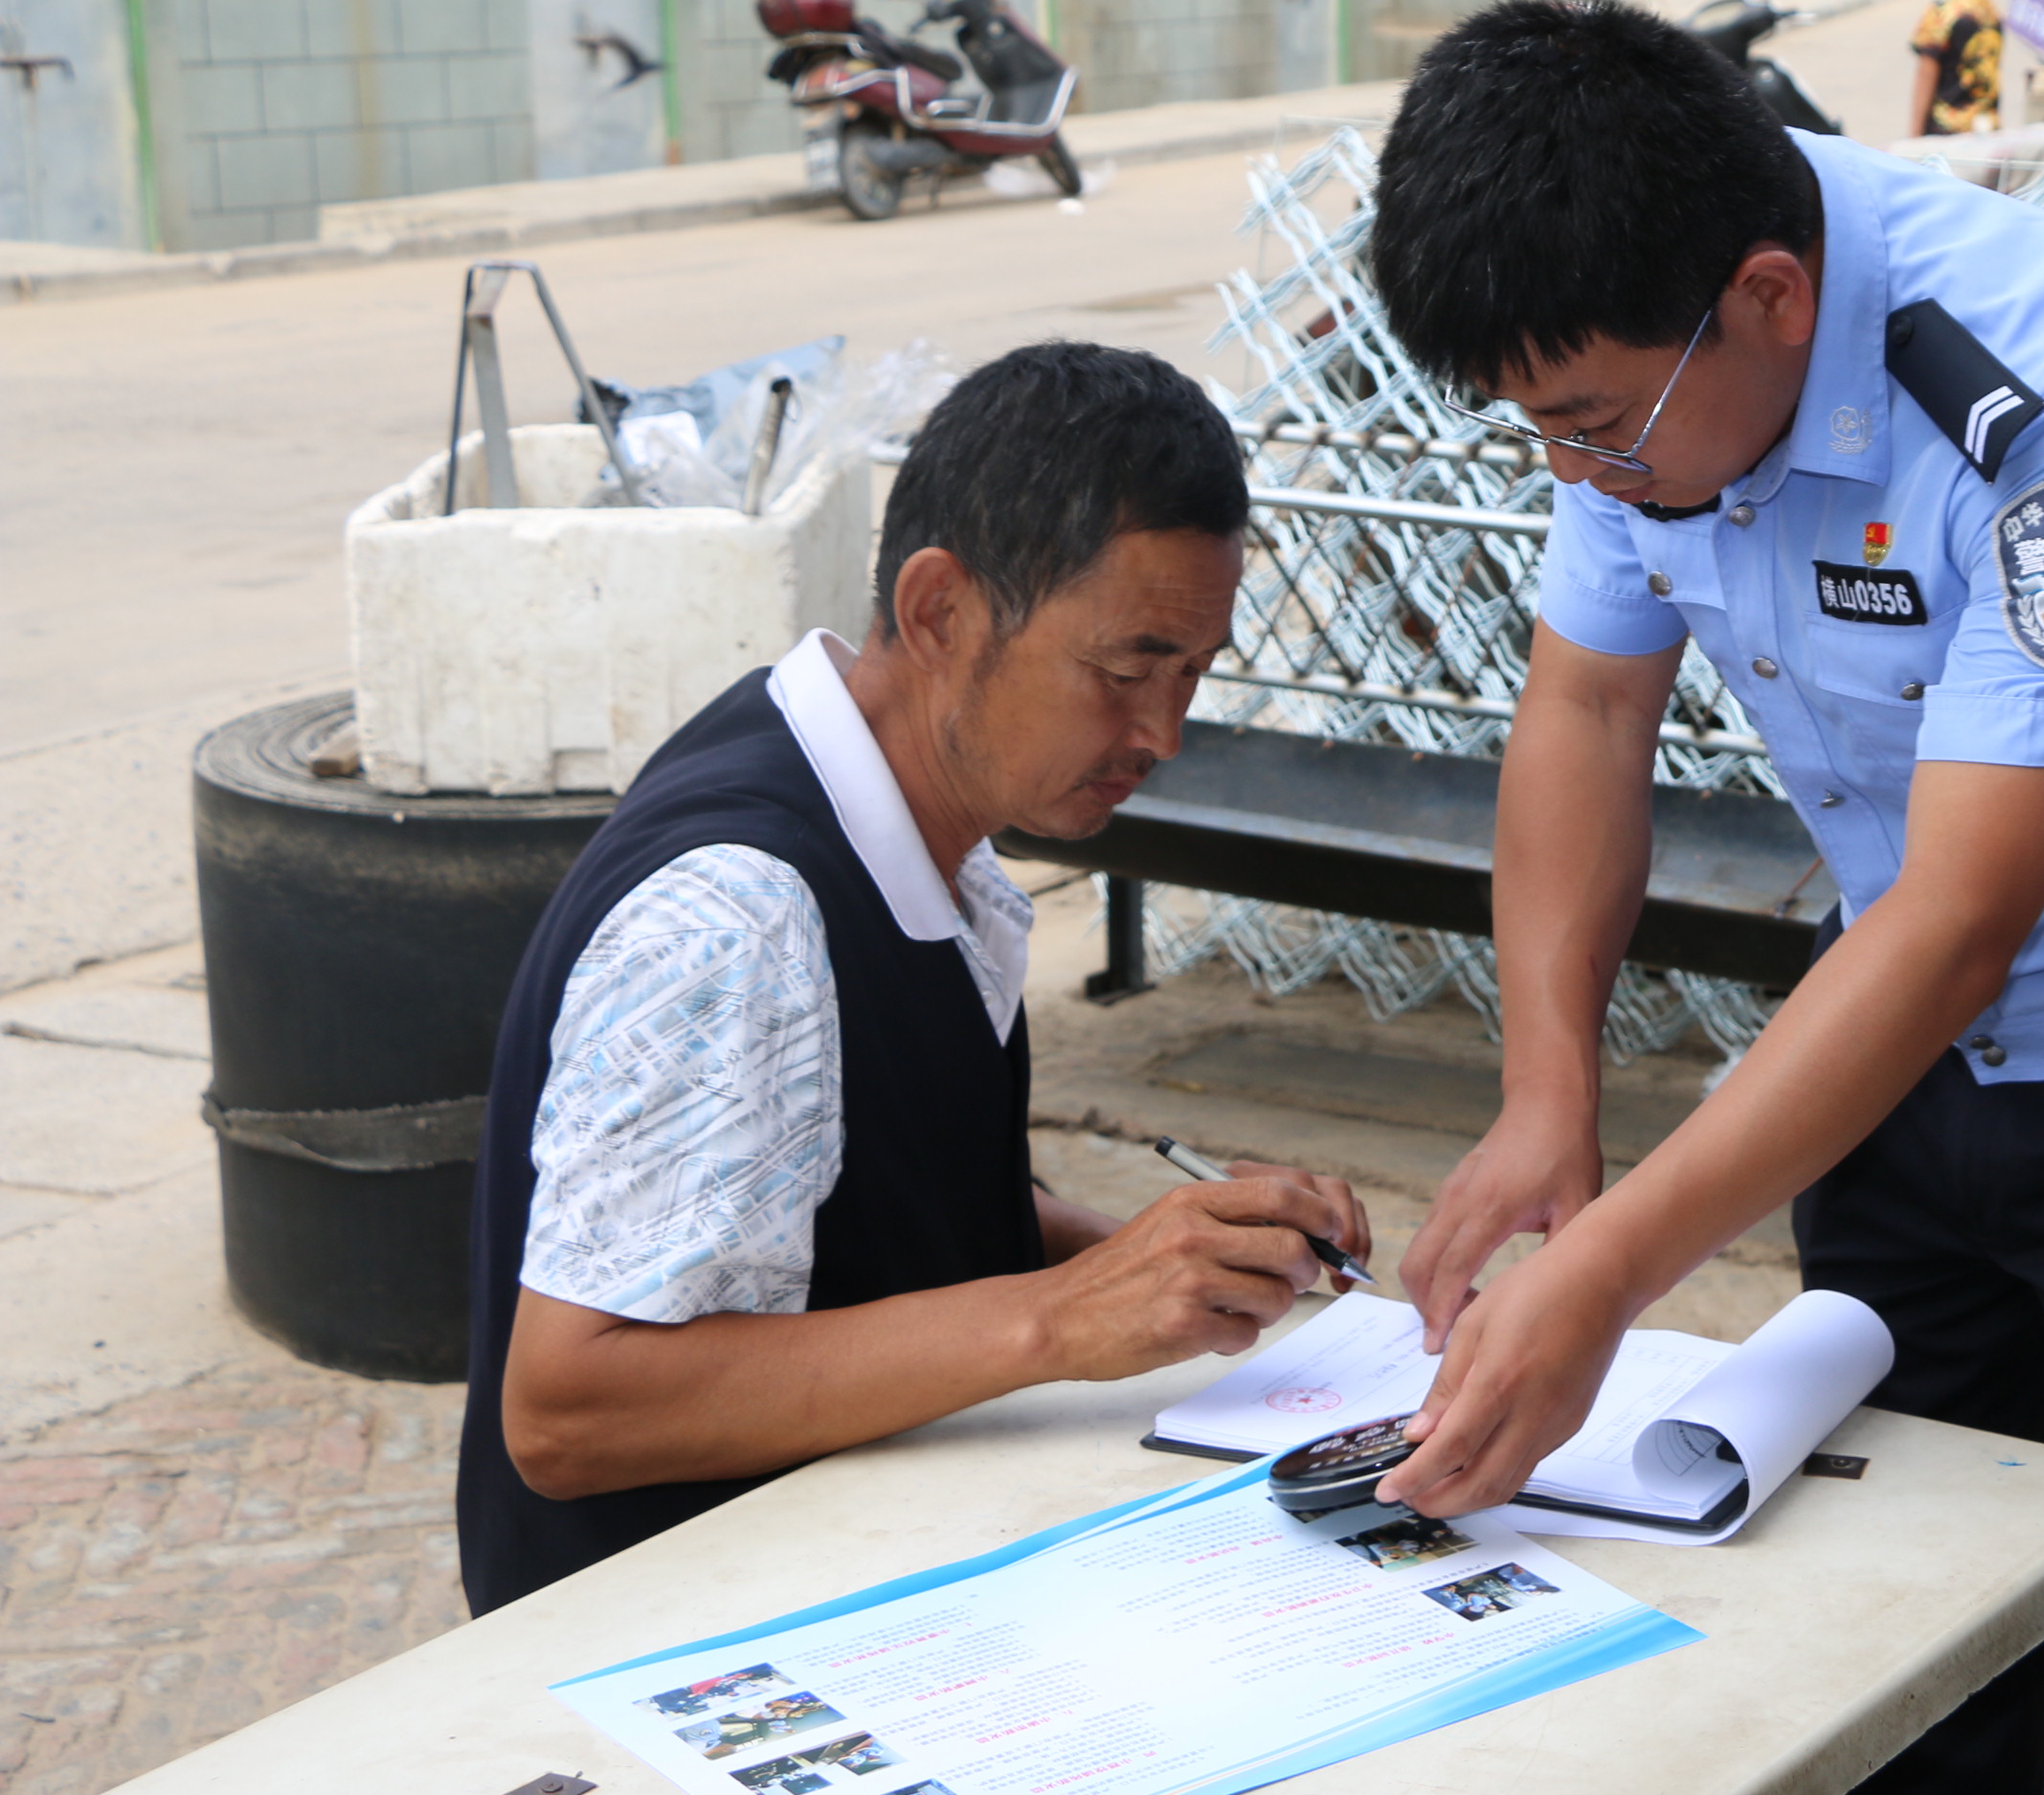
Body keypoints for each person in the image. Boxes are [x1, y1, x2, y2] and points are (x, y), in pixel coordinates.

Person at [1362, 0, 2044, 1795]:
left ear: (1769, 299)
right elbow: (1585, 708)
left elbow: (1962, 920)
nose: (1574, 473)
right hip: (1890, 1053)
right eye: (1541, 433)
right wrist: (1543, 1091)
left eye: (1590, 428)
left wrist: (1607, 1266)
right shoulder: (1645, 348)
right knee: (1884, 1655)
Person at [456, 342, 1370, 1614]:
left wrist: (1157, 1256)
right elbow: (568, 1408)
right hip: (673, 1641)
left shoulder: (911, 822)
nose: (1161, 732)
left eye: (1193, 675)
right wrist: (1058, 1316)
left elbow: (860, 1193)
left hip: (847, 1560)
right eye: (1125, 670)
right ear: (941, 610)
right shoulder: (742, 913)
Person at [1909, 0, 2008, 138]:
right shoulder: (1993, 13)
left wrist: (1914, 136)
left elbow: (1927, 74)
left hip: (1946, 133)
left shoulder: (1941, 12)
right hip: (1987, 131)